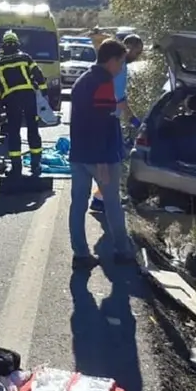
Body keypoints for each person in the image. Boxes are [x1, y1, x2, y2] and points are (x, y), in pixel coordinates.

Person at [68, 38, 134, 269]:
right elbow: (101, 124)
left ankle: (80, 254)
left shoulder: (82, 81)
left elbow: (82, 120)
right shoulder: (104, 83)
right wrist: (103, 160)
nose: (121, 68)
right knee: (113, 203)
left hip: (79, 154)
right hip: (100, 156)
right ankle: (122, 251)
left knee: (78, 204)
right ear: (112, 60)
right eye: (121, 62)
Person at [89, 34, 144, 212]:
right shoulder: (120, 69)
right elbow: (118, 97)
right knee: (112, 162)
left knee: (110, 161)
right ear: (129, 48)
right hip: (110, 118)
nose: (139, 56)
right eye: (138, 51)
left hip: (108, 117)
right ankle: (103, 199)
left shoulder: (115, 67)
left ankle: (100, 198)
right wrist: (132, 118)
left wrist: (130, 117)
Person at [0, 30, 49, 177]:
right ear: (17, 44)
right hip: (29, 97)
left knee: (14, 132)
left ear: (3, 45)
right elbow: (38, 75)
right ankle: (36, 165)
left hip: (11, 100)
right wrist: (44, 93)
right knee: (33, 130)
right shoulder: (25, 58)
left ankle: (16, 168)